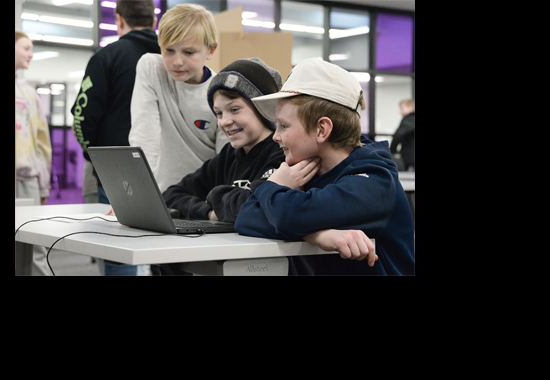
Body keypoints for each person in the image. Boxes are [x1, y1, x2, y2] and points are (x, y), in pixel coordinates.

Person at [236, 57, 415, 275]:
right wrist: (318, 235)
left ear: (322, 130)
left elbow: (289, 217)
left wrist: (272, 186)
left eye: (284, 126)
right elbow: (245, 217)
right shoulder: (307, 169)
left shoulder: (375, 183)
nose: (275, 136)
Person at [70, 0, 160, 276]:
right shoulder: (174, 56)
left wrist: (96, 157)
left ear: (119, 20)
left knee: (117, 251)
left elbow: (82, 119)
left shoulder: (107, 57)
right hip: (170, 169)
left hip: (118, 170)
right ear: (154, 21)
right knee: (169, 250)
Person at [162, 58, 286, 223]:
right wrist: (208, 212)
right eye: (219, 113)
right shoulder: (229, 156)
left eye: (234, 110)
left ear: (264, 108)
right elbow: (171, 195)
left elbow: (256, 205)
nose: (224, 121)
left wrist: (215, 194)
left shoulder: (283, 152)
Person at [129, 3, 229, 194]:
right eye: (169, 50)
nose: (177, 61)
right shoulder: (151, 68)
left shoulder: (223, 92)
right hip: (160, 195)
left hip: (203, 199)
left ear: (210, 51)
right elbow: (144, 134)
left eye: (189, 52)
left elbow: (225, 159)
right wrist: (138, 192)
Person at [15, 30, 53, 275]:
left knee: (33, 249)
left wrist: (43, 185)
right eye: (25, 48)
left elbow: (42, 144)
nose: (31, 54)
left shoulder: (29, 93)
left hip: (26, 178)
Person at [390, 98, 415, 171]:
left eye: (402, 108)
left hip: (411, 158)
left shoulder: (409, 119)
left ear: (410, 107)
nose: (400, 111)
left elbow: (398, 135)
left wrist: (392, 151)